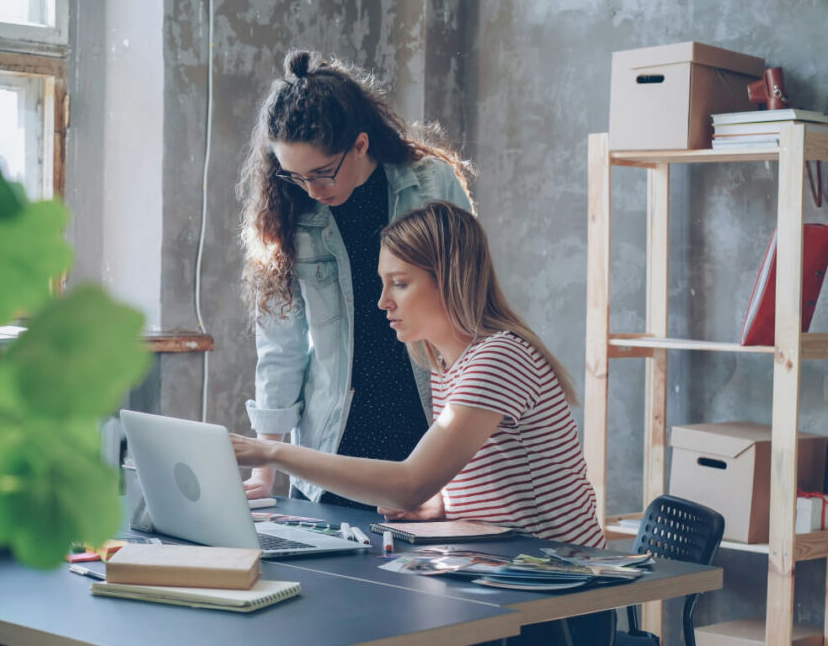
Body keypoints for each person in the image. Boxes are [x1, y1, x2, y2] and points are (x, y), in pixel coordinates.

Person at [233, 201, 605, 548]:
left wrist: (270, 451)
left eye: (399, 283)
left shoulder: (500, 358)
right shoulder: (444, 366)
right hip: (503, 563)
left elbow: (409, 484)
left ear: (450, 279)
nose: (383, 302)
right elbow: (495, 478)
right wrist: (444, 504)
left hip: (562, 577)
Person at [238, 50, 474, 509]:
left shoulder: (431, 184)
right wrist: (264, 470)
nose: (311, 190)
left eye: (322, 173)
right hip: (333, 443)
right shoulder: (288, 209)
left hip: (425, 426)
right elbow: (281, 345)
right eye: (295, 176)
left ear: (361, 145)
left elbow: (470, 308)